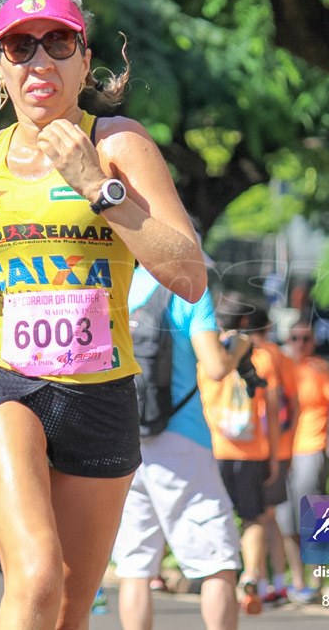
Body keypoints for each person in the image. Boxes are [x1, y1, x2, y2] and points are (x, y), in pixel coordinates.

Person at [0, 0, 205, 629]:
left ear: (85, 61)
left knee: (69, 604)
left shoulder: (119, 144)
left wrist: (98, 185)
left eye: (58, 42)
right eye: (19, 46)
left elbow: (189, 274)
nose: (40, 60)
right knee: (34, 578)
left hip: (102, 390)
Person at [112, 266, 252, 630]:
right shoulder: (188, 288)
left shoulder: (117, 281)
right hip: (181, 439)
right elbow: (217, 366)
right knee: (217, 562)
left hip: (124, 437)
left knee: (135, 567)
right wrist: (237, 346)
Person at [198, 301, 279, 615]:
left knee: (213, 515)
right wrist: (273, 456)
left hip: (214, 448)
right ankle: (251, 574)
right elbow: (271, 410)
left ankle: (218, 576)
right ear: (246, 320)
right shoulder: (263, 357)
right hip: (251, 450)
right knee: (252, 518)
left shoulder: (206, 354)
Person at [276, 320, 329, 603]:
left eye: (306, 338)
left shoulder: (320, 369)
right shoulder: (282, 366)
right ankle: (298, 582)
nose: (300, 344)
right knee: (286, 523)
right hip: (282, 452)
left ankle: (316, 582)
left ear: (314, 341)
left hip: (311, 449)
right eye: (294, 338)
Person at [241, 306, 298, 607]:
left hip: (255, 449)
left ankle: (263, 582)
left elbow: (278, 404)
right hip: (276, 447)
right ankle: (275, 582)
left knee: (258, 519)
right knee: (269, 517)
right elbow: (294, 403)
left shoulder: (257, 356)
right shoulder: (280, 356)